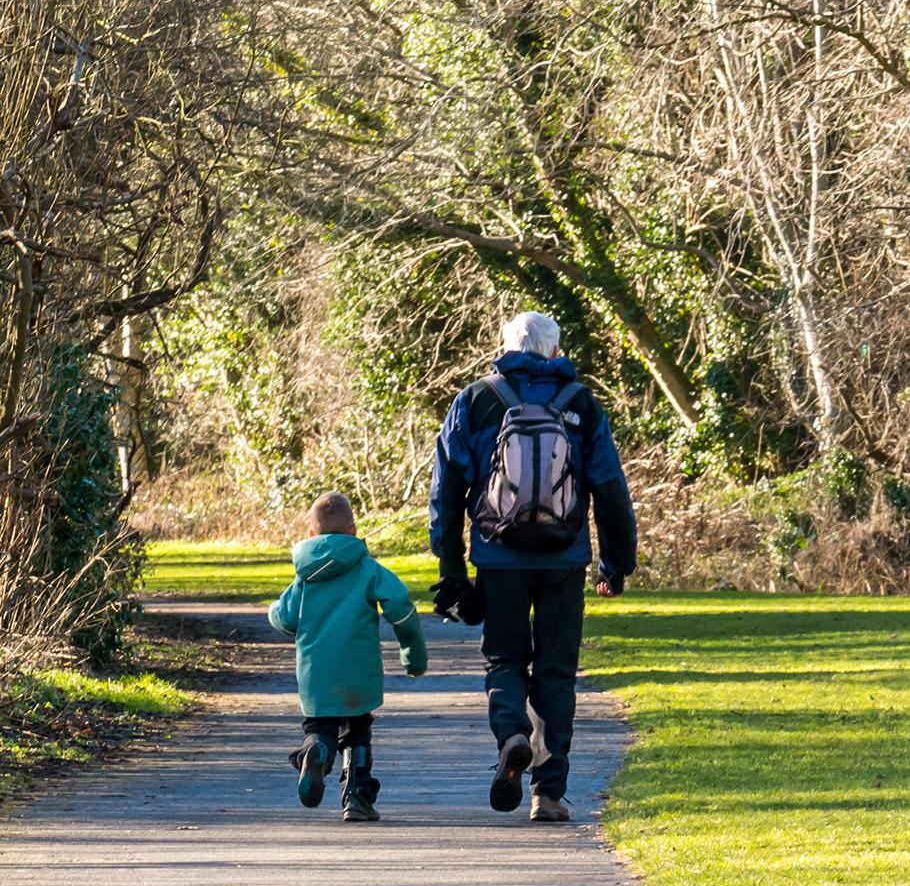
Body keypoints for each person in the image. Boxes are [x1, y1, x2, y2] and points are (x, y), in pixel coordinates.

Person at [428, 311, 637, 822]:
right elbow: (609, 488)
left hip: (498, 559)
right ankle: (547, 792)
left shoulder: (476, 400)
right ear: (554, 351)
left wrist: (452, 568)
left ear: (506, 346)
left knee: (503, 660)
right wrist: (615, 563)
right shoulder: (581, 404)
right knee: (556, 671)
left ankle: (512, 733)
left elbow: (448, 493)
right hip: (564, 559)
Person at [269, 491, 428, 822]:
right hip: (358, 673)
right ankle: (356, 797)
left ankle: (317, 752)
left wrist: (272, 612)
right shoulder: (368, 570)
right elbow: (401, 608)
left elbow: (285, 618)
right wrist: (413, 654)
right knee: (358, 732)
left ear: (312, 535)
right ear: (354, 531)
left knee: (320, 727)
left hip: (316, 676)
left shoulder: (305, 575)